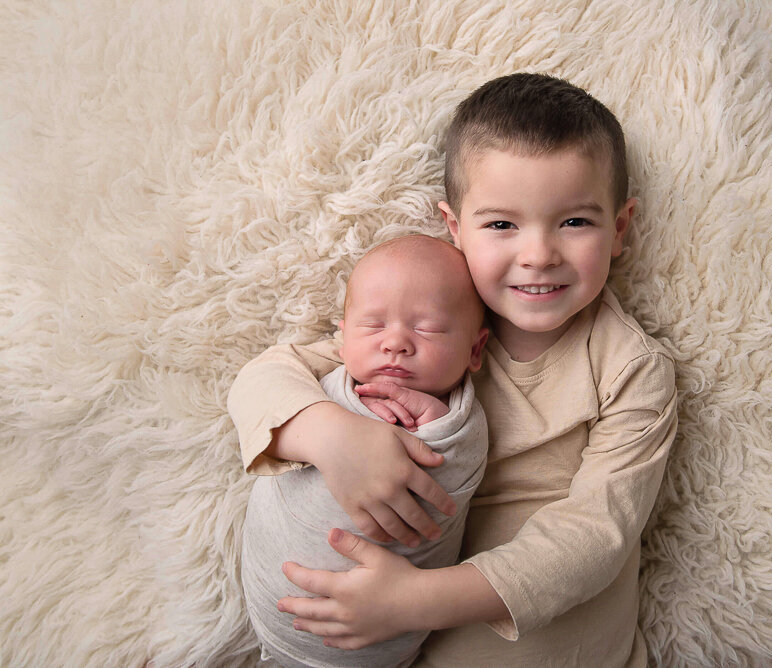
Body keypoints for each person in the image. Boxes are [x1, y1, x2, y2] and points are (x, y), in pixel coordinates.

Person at [228, 72, 678, 667]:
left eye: (574, 222)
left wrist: (417, 600)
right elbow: (264, 375)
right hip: (391, 633)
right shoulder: (425, 323)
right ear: (454, 227)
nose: (538, 254)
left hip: (543, 639)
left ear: (619, 229)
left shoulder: (629, 369)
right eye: (501, 225)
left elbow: (595, 536)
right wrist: (332, 435)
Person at [240, 235, 490, 668]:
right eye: (374, 326)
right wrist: (338, 428)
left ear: (475, 350)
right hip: (267, 613)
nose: (395, 343)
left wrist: (435, 424)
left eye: (426, 327)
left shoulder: (463, 422)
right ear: (342, 338)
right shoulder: (321, 375)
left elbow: (457, 476)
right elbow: (260, 388)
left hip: (377, 639)